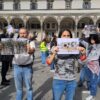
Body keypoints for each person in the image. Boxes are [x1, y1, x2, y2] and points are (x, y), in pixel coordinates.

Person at [46, 29, 85, 100]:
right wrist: (54, 53)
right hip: (58, 80)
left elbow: (82, 62)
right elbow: (48, 62)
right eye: (64, 35)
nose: (66, 37)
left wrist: (83, 52)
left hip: (71, 80)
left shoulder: (74, 49)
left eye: (68, 35)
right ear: (60, 37)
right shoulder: (54, 48)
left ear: (71, 37)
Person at [13, 28, 35, 100]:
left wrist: (29, 50)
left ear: (27, 34)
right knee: (19, 89)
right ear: (19, 34)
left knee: (29, 88)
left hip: (27, 68)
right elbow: (8, 51)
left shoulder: (30, 42)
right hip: (17, 67)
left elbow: (32, 51)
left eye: (24, 33)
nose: (22, 34)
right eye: (21, 33)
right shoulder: (14, 42)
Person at [84, 34, 100, 100]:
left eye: (93, 39)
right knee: (89, 79)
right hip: (87, 65)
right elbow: (82, 41)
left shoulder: (98, 46)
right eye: (91, 39)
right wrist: (85, 35)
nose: (92, 40)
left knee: (94, 81)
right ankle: (90, 91)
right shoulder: (89, 45)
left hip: (94, 65)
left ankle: (92, 95)